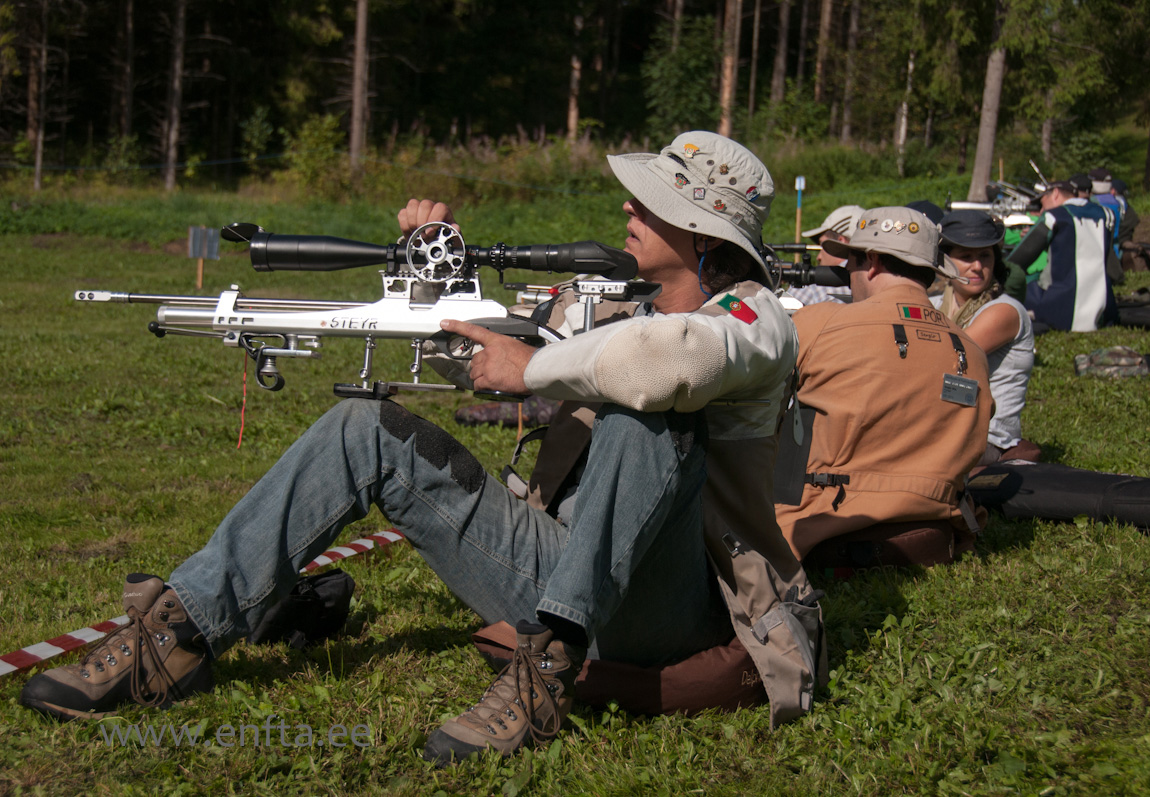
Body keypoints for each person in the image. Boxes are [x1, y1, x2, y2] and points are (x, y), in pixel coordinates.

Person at [21, 131, 824, 761]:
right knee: (362, 425)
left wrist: (536, 364)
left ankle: (543, 673)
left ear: (701, 229)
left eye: (649, 203)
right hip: (563, 567)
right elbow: (481, 358)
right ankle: (180, 632)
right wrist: (439, 272)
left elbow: (668, 360)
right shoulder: (612, 307)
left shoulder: (758, 322)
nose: (627, 210)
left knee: (648, 413)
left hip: (673, 605)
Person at [773, 206, 994, 563]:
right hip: (937, 522)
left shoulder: (820, 323)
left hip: (820, 524)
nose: (846, 273)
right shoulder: (972, 349)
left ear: (872, 261)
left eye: (852, 263)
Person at [935, 210, 1036, 464]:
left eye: (984, 256)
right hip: (941, 426)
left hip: (987, 438)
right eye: (966, 257)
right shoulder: (934, 304)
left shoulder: (1004, 311)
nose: (977, 266)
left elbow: (944, 358)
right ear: (944, 261)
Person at [1009, 180, 1118, 332]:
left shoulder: (1054, 216)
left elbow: (1019, 259)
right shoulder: (1107, 215)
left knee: (1015, 285)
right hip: (1104, 306)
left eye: (1042, 203)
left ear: (1055, 194)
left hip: (1061, 307)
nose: (1041, 210)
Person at [786, 204, 864, 305]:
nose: (818, 257)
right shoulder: (877, 281)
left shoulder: (814, 286)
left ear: (840, 243)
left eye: (823, 246)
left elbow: (776, 314)